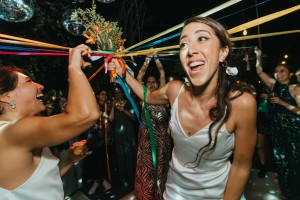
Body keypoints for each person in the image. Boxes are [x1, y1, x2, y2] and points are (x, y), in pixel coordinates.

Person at [108, 16, 257, 199]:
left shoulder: (241, 104)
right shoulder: (174, 90)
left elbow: (241, 166)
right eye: (183, 44)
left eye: (202, 38)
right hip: (173, 192)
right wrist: (124, 73)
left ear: (222, 52)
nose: (191, 50)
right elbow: (148, 96)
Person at [0, 44, 99, 200]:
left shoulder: (18, 132)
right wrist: (74, 67)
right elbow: (85, 115)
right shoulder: (12, 132)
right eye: (29, 81)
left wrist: (68, 160)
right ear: (6, 97)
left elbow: (39, 184)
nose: (40, 86)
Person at [255, 47, 300, 199]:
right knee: (281, 162)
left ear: (290, 74)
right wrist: (258, 56)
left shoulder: (295, 88)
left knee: (295, 161)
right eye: (276, 71)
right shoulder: (274, 85)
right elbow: (259, 71)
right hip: (277, 130)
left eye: (282, 71)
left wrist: (282, 102)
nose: (278, 73)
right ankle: (287, 193)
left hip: (293, 131)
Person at [134, 55, 173, 199]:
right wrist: (147, 60)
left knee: (162, 170)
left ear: (157, 84)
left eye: (153, 82)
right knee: (147, 171)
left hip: (162, 142)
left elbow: (162, 73)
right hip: (146, 143)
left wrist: (156, 59)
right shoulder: (143, 97)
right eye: (148, 82)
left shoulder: (162, 99)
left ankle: (161, 195)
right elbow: (139, 76)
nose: (150, 84)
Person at [108, 86, 137, 188]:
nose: (118, 95)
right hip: (118, 134)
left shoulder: (129, 103)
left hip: (128, 132)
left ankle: (132, 179)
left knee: (130, 155)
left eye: (119, 92)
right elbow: (111, 119)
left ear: (123, 93)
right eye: (116, 93)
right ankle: (124, 180)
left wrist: (124, 110)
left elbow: (134, 117)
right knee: (120, 156)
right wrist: (112, 107)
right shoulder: (113, 105)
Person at [85, 89, 112, 195]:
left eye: (105, 94)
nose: (104, 96)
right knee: (95, 161)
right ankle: (98, 182)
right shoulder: (94, 106)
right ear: (97, 96)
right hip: (95, 138)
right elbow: (91, 120)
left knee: (103, 161)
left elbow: (110, 120)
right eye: (102, 94)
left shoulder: (108, 106)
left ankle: (104, 182)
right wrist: (98, 131)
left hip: (106, 138)